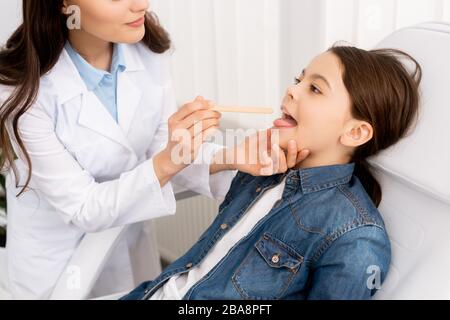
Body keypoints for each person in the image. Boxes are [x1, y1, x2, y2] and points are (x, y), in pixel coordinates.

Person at [0, 0, 308, 299]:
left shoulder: (147, 51)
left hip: (129, 245)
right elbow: (85, 207)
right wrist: (167, 160)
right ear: (64, 5)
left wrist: (230, 157)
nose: (141, 5)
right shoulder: (23, 93)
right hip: (56, 262)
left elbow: (163, 150)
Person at [121, 45, 422, 300]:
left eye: (315, 88)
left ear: (356, 132)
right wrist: (230, 158)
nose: (291, 90)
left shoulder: (356, 237)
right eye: (298, 80)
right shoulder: (260, 172)